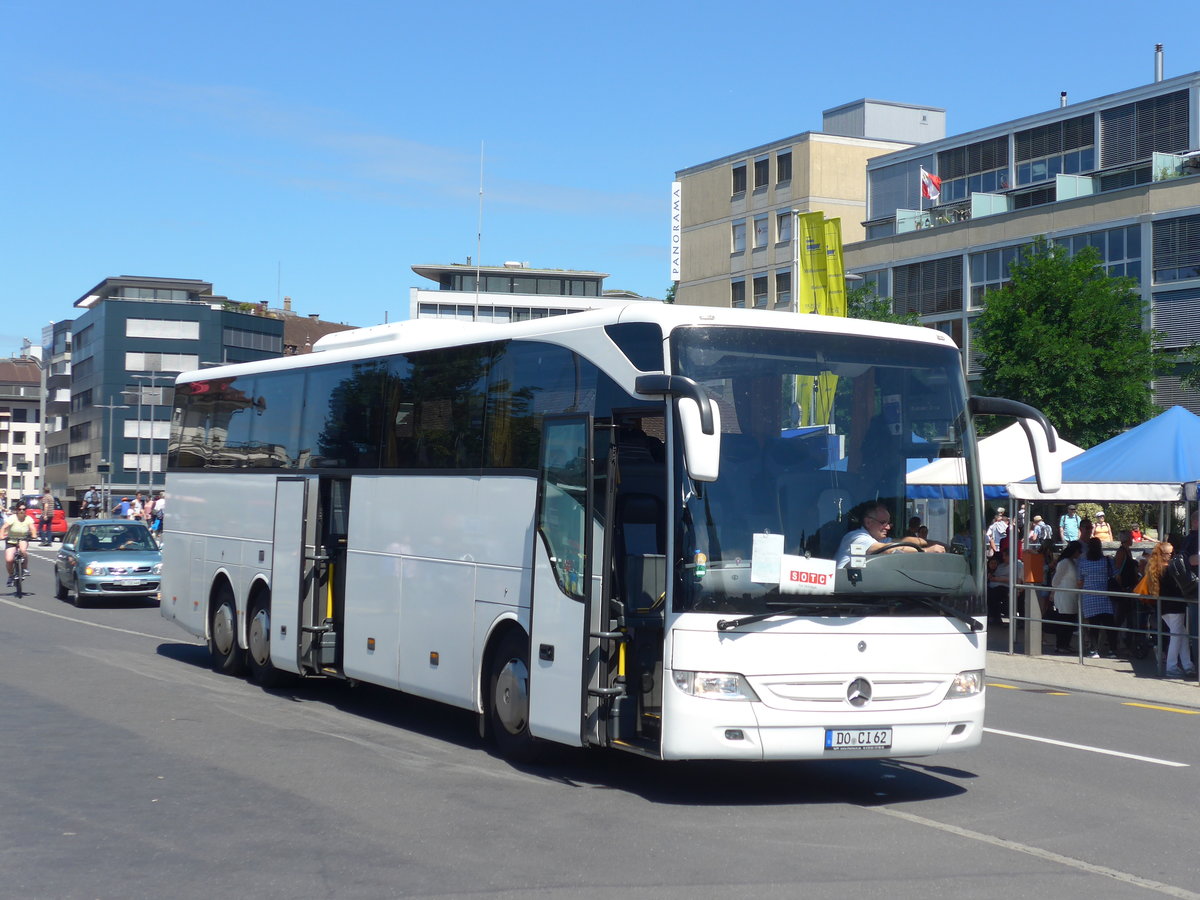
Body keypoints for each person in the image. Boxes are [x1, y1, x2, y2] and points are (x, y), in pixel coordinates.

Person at [834, 501, 945, 568]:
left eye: (888, 523)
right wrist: (926, 551)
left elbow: (904, 541)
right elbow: (889, 549)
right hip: (841, 599)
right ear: (868, 522)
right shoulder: (857, 537)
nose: (888, 527)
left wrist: (935, 544)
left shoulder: (878, 539)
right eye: (883, 523)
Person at [1143, 541, 1196, 679]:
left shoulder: (1156, 568)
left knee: (1181, 635)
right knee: (1177, 636)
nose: (1173, 555)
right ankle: (1172, 666)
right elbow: (1176, 587)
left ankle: (1187, 665)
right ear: (1164, 554)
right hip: (1174, 606)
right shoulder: (1167, 569)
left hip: (1165, 606)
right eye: (1171, 553)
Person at [1076, 537, 1117, 659]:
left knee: (1093, 625)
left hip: (1089, 597)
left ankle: (1094, 650)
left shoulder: (1083, 563)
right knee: (1109, 625)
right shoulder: (1106, 561)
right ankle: (1112, 650)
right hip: (1105, 596)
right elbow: (1114, 575)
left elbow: (1079, 581)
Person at [1048, 541, 1083, 653]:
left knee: (1070, 621)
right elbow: (1055, 581)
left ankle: (1066, 644)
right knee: (1063, 620)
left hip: (1072, 596)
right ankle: (1060, 645)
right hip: (1064, 596)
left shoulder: (1073, 562)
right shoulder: (1064, 563)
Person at [2, 503, 38, 587]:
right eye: (20, 509)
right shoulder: (12, 518)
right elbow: (3, 527)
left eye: (23, 509)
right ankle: (11, 576)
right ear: (17, 510)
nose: (22, 511)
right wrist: (1, 535)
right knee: (9, 559)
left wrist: (34, 534)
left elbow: (32, 528)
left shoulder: (28, 518)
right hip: (11, 540)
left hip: (23, 538)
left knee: (23, 550)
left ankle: (25, 568)